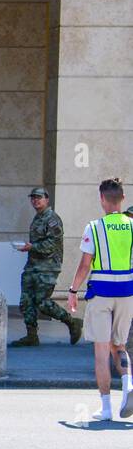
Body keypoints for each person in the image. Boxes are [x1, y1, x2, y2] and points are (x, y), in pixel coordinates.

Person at [64, 178, 133, 420]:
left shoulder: (94, 227)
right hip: (127, 292)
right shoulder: (132, 226)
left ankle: (105, 408)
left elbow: (85, 265)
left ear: (102, 199)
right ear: (123, 199)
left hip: (101, 293)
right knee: (120, 346)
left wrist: (73, 291)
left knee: (101, 351)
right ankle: (128, 384)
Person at [11, 187, 83, 347]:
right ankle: (31, 335)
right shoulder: (38, 218)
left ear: (47, 199)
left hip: (48, 266)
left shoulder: (52, 219)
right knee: (26, 301)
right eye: (33, 198)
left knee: (42, 302)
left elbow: (52, 244)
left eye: (39, 197)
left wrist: (31, 247)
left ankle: (72, 322)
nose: (35, 200)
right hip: (33, 265)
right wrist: (30, 248)